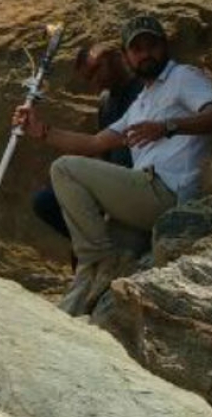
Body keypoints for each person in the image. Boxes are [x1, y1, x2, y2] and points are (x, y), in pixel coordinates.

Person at [13, 16, 212, 316]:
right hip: (141, 203)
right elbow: (94, 144)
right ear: (127, 56)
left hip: (166, 191)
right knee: (88, 280)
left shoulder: (183, 77)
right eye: (137, 49)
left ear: (163, 46)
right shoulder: (142, 100)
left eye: (151, 45)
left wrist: (168, 126)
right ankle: (67, 322)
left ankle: (101, 258)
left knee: (64, 170)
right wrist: (44, 132)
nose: (145, 54)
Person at [30, 44, 143, 267]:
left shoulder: (143, 91)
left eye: (96, 71)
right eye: (88, 78)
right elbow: (100, 147)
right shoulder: (106, 101)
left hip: (140, 181)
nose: (95, 82)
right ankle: (92, 242)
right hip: (113, 182)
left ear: (116, 57)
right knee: (46, 201)